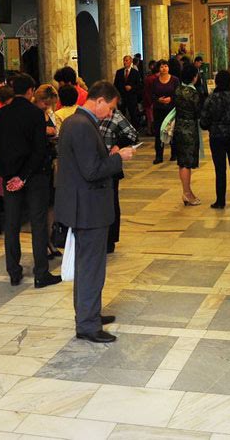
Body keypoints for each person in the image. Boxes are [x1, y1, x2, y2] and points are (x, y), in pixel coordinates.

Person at [55, 81, 135, 343]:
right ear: (99, 101)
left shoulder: (76, 122)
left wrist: (109, 154)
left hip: (84, 206)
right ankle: (88, 325)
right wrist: (119, 158)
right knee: (90, 268)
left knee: (88, 266)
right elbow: (92, 171)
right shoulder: (82, 125)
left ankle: (89, 314)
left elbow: (87, 163)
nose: (110, 114)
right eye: (110, 108)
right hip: (88, 209)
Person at [0, 73, 59, 288]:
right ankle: (41, 273)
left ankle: (13, 271)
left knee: (11, 224)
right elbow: (38, 150)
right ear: (30, 91)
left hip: (10, 177)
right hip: (35, 176)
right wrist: (23, 176)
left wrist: (7, 175)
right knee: (38, 223)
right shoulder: (35, 114)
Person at [200, 69, 230, 208]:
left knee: (220, 169)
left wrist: (210, 126)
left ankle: (220, 201)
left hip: (217, 136)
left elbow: (204, 121)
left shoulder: (211, 99)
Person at [98, 106, 138, 252]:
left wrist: (118, 145)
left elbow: (132, 134)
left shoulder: (115, 115)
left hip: (110, 165)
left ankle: (110, 240)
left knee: (112, 202)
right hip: (96, 165)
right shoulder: (89, 117)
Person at [32, 83, 62, 260]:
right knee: (41, 207)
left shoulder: (47, 113)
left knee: (52, 204)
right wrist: (46, 131)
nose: (48, 106)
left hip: (51, 162)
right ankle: (42, 243)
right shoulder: (32, 114)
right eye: (46, 103)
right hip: (39, 165)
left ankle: (50, 239)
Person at [173, 64, 202, 205]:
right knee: (186, 163)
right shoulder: (193, 93)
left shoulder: (177, 90)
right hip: (189, 129)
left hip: (178, 127)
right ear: (194, 77)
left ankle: (187, 191)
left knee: (182, 162)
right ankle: (187, 193)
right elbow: (198, 111)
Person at [149, 60, 180, 164]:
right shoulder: (155, 81)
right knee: (159, 132)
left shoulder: (175, 80)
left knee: (172, 131)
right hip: (159, 110)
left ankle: (174, 153)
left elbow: (178, 94)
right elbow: (152, 95)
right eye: (162, 67)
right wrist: (158, 99)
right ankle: (159, 156)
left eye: (166, 66)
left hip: (171, 110)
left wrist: (171, 99)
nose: (164, 68)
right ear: (159, 68)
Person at [113, 55, 142, 128]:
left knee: (133, 114)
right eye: (124, 60)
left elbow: (139, 85)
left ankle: (135, 129)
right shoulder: (119, 72)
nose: (125, 62)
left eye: (126, 60)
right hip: (122, 97)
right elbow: (116, 84)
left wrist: (131, 87)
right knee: (121, 115)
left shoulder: (135, 72)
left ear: (131, 61)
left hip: (132, 97)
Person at [142, 60, 158, 134]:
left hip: (148, 101)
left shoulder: (149, 78)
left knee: (149, 117)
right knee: (151, 117)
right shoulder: (153, 79)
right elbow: (149, 91)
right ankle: (151, 130)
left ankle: (149, 130)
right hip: (150, 101)